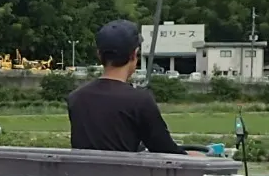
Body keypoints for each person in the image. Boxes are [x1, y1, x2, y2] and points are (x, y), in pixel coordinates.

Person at [66, 19, 185, 153]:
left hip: (81, 173)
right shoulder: (140, 100)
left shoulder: (76, 98)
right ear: (134, 54)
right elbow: (165, 151)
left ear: (99, 54)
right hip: (125, 174)